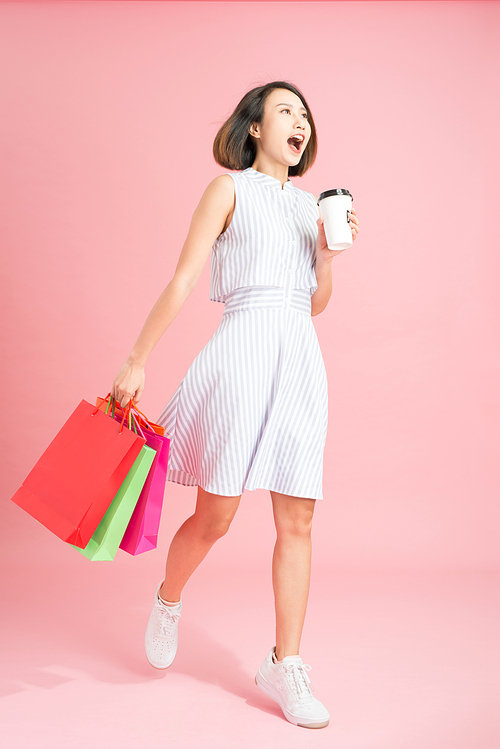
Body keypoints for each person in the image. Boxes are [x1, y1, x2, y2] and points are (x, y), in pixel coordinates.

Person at [111, 80, 360, 729]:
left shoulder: (311, 208)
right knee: (216, 518)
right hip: (241, 357)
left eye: (304, 113)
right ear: (255, 127)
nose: (299, 120)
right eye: (285, 110)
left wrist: (327, 258)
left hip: (299, 360)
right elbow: (185, 277)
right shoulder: (227, 190)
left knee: (299, 519)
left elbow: (312, 301)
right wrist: (137, 359)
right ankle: (169, 598)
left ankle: (287, 660)